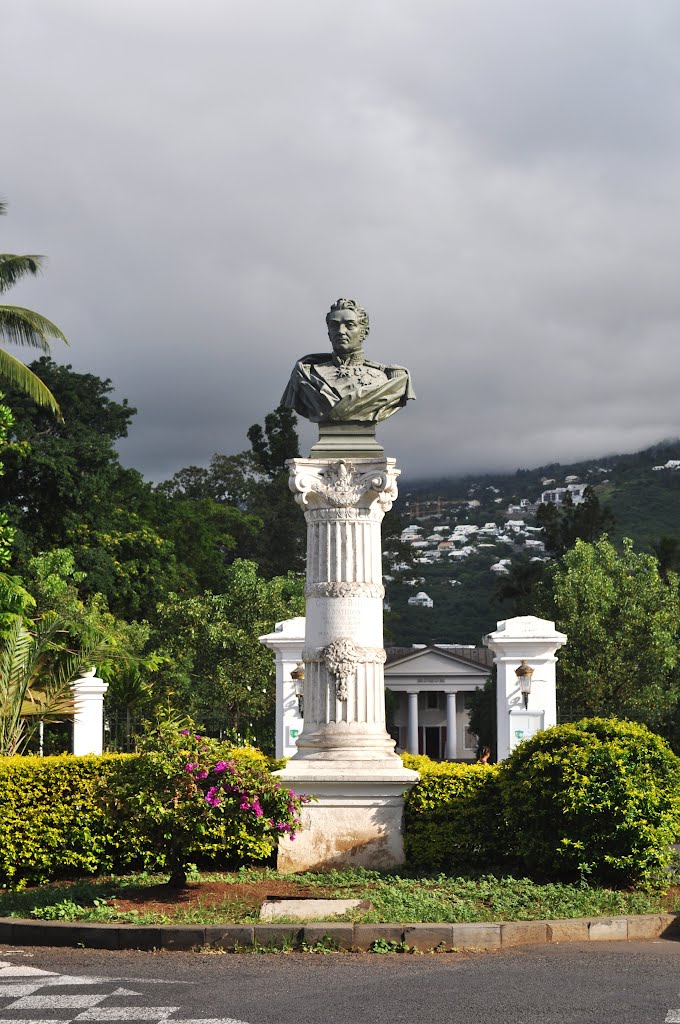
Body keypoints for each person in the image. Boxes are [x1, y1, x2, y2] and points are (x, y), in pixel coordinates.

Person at [281, 298, 415, 425]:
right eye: (334, 326)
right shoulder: (307, 375)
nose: (341, 331)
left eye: (349, 325)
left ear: (364, 332)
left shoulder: (383, 379)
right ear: (329, 334)